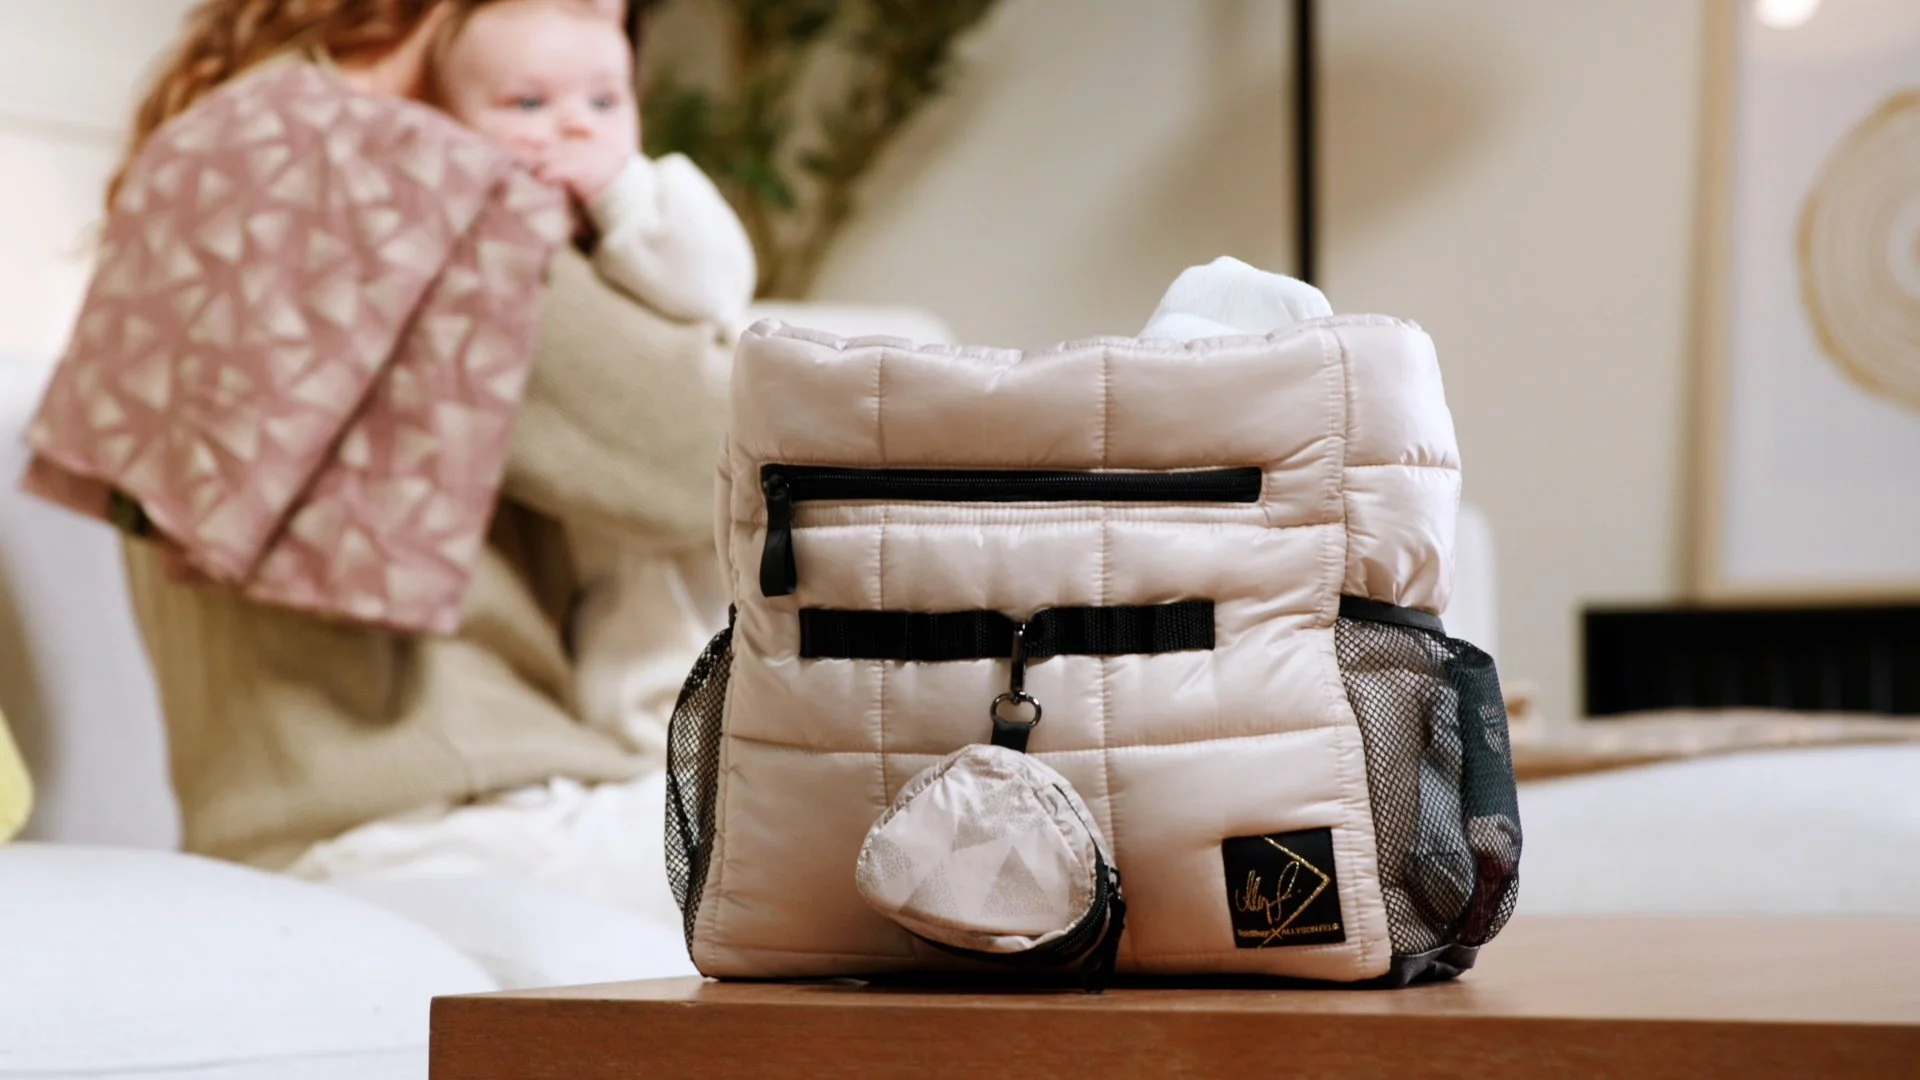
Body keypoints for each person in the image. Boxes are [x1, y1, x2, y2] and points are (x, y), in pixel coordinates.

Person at [111, 0, 735, 987]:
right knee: (926, 843)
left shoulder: (230, 142)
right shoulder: (378, 168)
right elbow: (714, 446)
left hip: (308, 822)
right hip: (440, 822)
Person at [429, 0, 750, 762]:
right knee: (617, 654)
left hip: (687, 535)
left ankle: (674, 759)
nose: (576, 126)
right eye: (528, 104)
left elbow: (717, 280)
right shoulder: (499, 239)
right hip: (596, 533)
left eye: (605, 102)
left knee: (676, 649)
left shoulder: (661, 194)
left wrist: (617, 193)